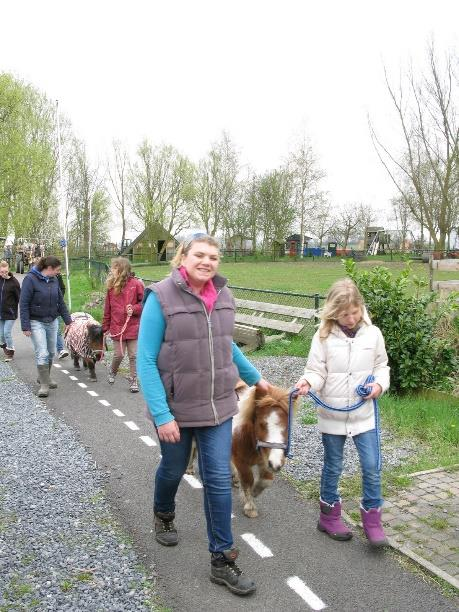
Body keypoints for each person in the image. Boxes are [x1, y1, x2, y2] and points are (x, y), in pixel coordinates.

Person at [137, 233, 270, 597]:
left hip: (217, 407)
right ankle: (163, 513)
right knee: (173, 469)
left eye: (213, 256)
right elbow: (145, 360)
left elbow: (224, 345)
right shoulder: (160, 296)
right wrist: (162, 415)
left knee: (216, 480)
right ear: (183, 256)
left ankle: (221, 560)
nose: (207, 261)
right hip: (176, 409)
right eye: (199, 255)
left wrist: (257, 380)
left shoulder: (224, 296)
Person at [295, 278, 390, 547]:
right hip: (333, 417)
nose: (351, 318)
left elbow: (382, 366)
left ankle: (373, 521)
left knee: (372, 467)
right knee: (333, 467)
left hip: (364, 416)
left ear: (361, 306)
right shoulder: (322, 337)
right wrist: (307, 383)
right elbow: (316, 371)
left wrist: (378, 385)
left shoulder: (374, 334)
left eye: (355, 311)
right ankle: (329, 516)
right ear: (333, 312)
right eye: (344, 313)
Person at [20, 256, 72, 398]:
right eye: (57, 270)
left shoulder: (54, 280)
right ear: (49, 268)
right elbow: (23, 303)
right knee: (42, 352)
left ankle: (45, 377)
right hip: (36, 321)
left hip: (52, 321)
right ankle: (43, 385)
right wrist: (25, 326)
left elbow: (60, 302)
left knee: (50, 352)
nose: (58, 272)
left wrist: (69, 321)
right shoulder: (30, 279)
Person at [102, 257, 144, 393]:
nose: (112, 270)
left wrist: (135, 309)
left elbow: (144, 303)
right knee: (119, 355)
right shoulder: (111, 287)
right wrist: (105, 328)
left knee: (134, 355)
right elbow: (107, 309)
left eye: (114, 268)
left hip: (133, 326)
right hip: (117, 327)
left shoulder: (136, 284)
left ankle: (133, 380)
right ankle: (113, 371)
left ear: (121, 269)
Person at [0, 260, 20, 362]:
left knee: (7, 332)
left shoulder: (14, 282)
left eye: (5, 271)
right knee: (1, 334)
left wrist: (13, 308)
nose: (4, 274)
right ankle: (5, 347)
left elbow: (19, 298)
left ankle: (10, 352)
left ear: (8, 270)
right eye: (1, 272)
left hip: (10, 313)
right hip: (0, 313)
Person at [56, 272, 69, 359]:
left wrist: (58, 297)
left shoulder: (57, 276)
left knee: (57, 330)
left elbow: (62, 288)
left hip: (55, 308)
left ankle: (60, 349)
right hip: (40, 312)